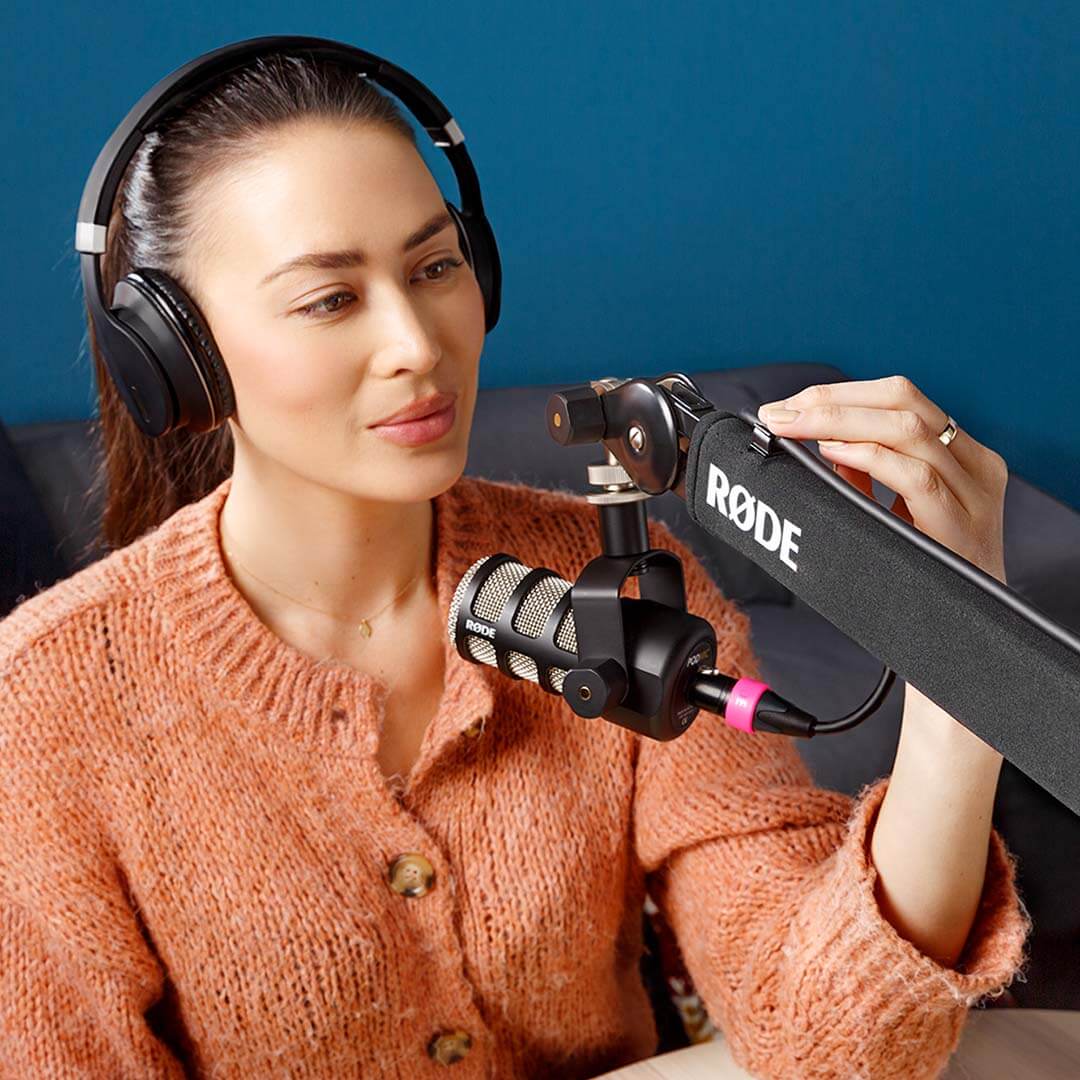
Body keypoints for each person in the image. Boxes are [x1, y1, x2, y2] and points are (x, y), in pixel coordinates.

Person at [0, 46, 1031, 1079]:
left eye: (435, 265)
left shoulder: (615, 572)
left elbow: (830, 1035)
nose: (416, 341)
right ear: (173, 357)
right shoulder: (41, 707)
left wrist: (959, 647)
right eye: (329, 300)